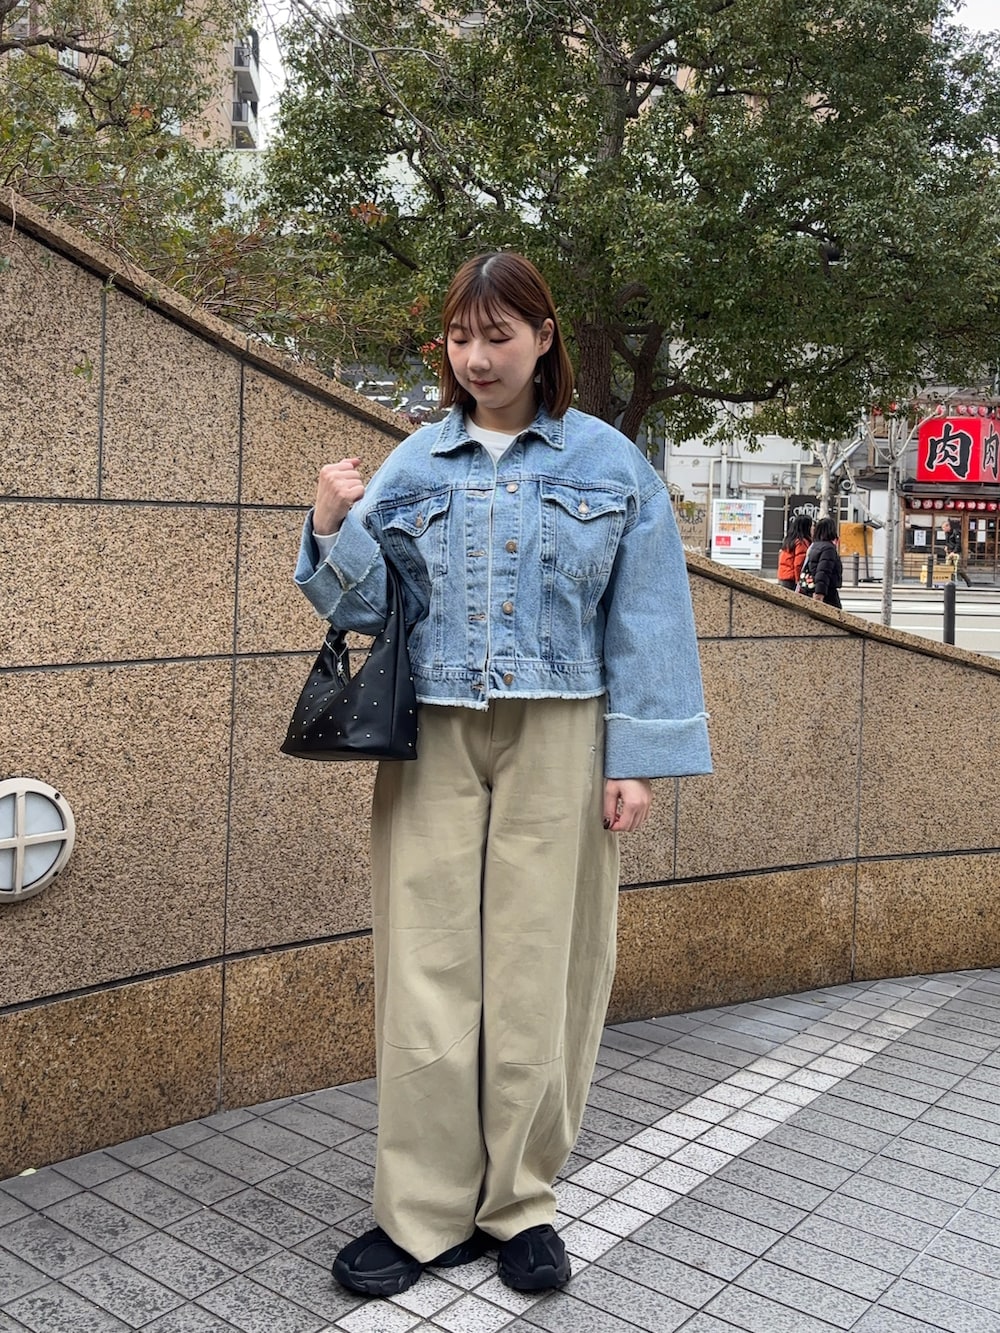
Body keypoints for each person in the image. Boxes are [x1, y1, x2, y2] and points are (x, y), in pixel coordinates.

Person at [294, 251, 712, 1299]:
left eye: (498, 335)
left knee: (542, 969)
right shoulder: (415, 463)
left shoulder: (610, 463)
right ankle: (421, 1212)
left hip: (563, 732)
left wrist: (637, 759)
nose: (476, 358)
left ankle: (520, 1203)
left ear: (543, 337)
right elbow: (361, 610)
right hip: (432, 731)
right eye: (460, 337)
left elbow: (648, 612)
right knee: (426, 968)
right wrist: (329, 525)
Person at [804, 515, 843, 607]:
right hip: (826, 591)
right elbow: (823, 572)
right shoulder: (828, 548)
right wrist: (820, 593)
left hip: (814, 587)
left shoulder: (815, 545)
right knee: (835, 614)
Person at [776, 514, 813, 590]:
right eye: (811, 525)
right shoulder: (801, 542)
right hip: (792, 578)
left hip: (784, 576)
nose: (813, 528)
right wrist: (799, 581)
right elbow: (798, 564)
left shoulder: (789, 540)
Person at [941, 517, 972, 586]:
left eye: (944, 528)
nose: (943, 529)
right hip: (949, 552)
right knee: (948, 567)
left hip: (956, 552)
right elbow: (947, 542)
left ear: (948, 526)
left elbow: (958, 543)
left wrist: (954, 552)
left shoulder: (955, 532)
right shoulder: (946, 533)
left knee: (958, 568)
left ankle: (968, 581)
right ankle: (949, 582)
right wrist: (946, 547)